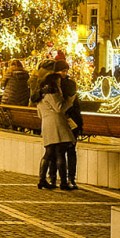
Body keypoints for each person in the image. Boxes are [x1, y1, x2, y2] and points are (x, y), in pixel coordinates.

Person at [35, 72, 75, 190]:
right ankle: (63, 182)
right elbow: (59, 108)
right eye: (58, 82)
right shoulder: (52, 93)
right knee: (60, 153)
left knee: (48, 152)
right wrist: (70, 100)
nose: (59, 84)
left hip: (46, 124)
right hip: (56, 123)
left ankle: (42, 179)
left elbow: (39, 114)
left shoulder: (40, 95)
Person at [58, 61, 81, 189]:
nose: (64, 73)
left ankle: (68, 179)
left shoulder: (65, 84)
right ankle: (67, 179)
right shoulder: (55, 85)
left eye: (66, 70)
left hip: (69, 121)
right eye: (62, 70)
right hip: (64, 121)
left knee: (66, 151)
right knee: (65, 151)